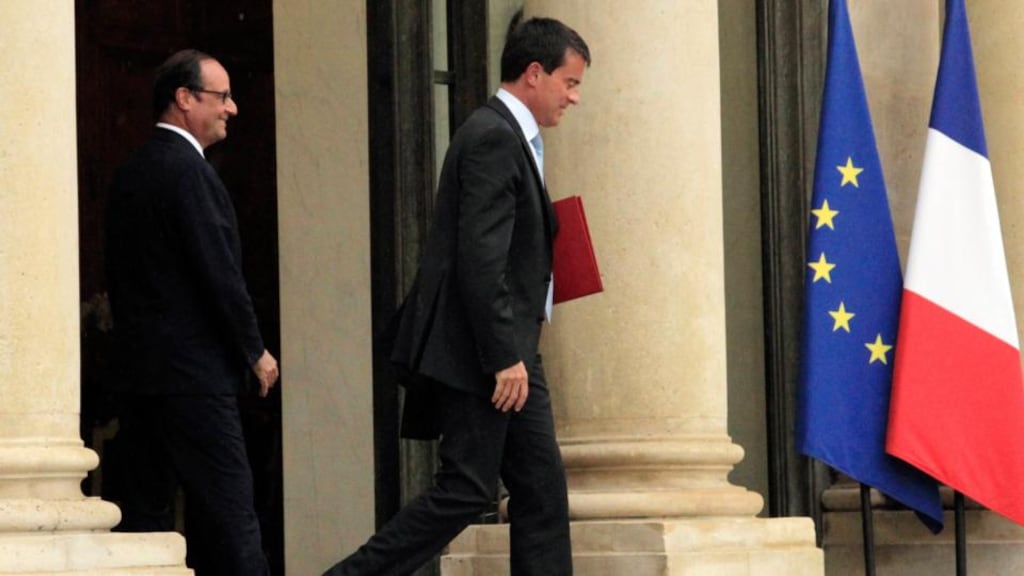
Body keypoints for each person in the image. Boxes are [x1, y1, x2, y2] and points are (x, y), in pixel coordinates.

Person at [323, 16, 590, 576]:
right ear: (534, 73)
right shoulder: (494, 135)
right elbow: (480, 259)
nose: (574, 97)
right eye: (570, 82)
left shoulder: (510, 135)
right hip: (485, 353)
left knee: (541, 490)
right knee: (467, 488)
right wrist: (503, 357)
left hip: (513, 348)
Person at [105, 49, 279, 576]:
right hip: (196, 378)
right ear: (184, 99)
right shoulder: (190, 174)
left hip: (140, 379)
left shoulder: (130, 171)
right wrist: (255, 351)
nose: (233, 108)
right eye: (221, 96)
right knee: (232, 517)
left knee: (143, 525)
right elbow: (220, 275)